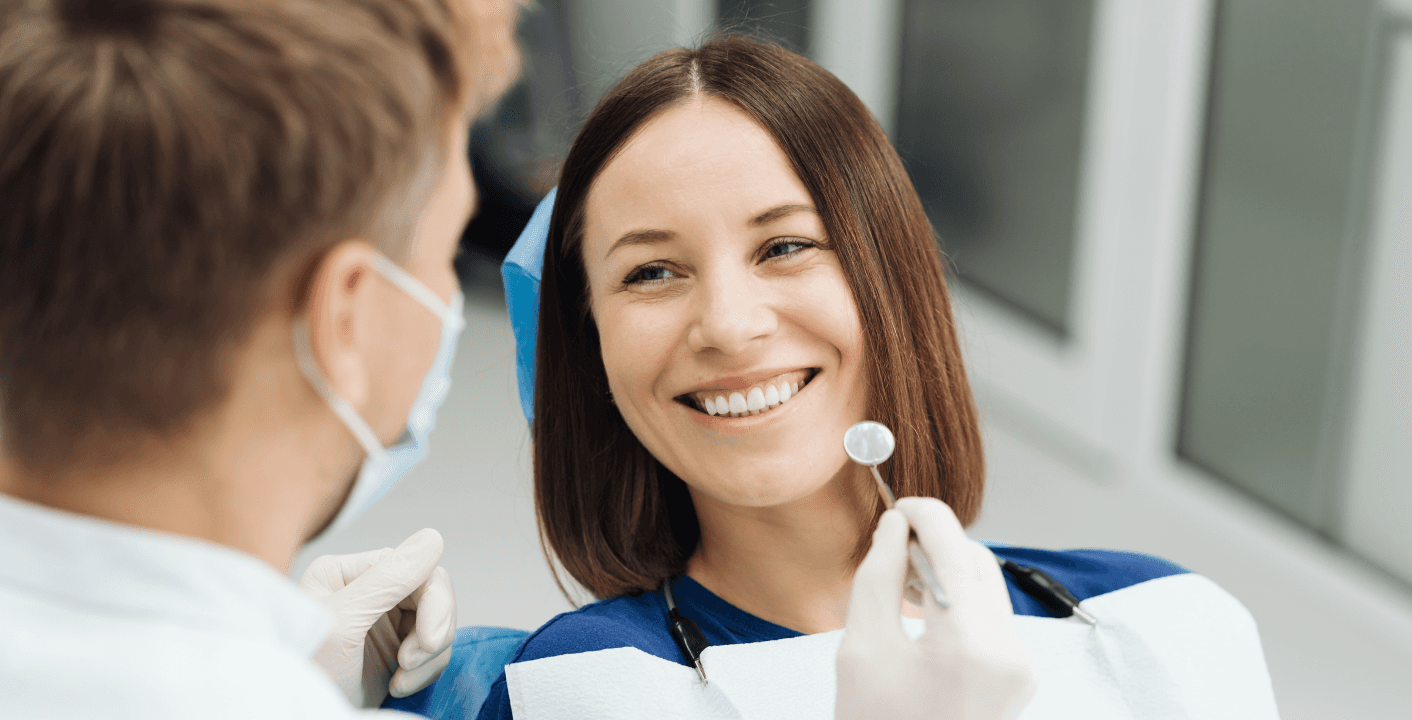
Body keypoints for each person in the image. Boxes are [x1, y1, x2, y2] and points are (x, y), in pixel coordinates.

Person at [0, 3, 1030, 719]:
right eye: (447, 244)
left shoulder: (1141, 606)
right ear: (349, 316)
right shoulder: (533, 690)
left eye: (785, 245)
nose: (728, 323)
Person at [475, 35, 1281, 719]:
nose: (728, 324)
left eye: (785, 247)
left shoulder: (1161, 618)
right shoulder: (580, 687)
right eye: (652, 271)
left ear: (891, 282)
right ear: (590, 349)